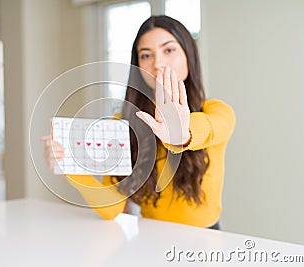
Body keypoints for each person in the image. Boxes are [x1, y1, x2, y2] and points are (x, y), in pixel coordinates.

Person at [42, 15, 235, 230]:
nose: (158, 63)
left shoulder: (217, 111)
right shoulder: (124, 124)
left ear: (189, 55)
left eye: (169, 50)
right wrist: (68, 163)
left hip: (206, 244)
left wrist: (182, 134)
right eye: (146, 55)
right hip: (149, 241)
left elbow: (210, 127)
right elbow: (112, 208)